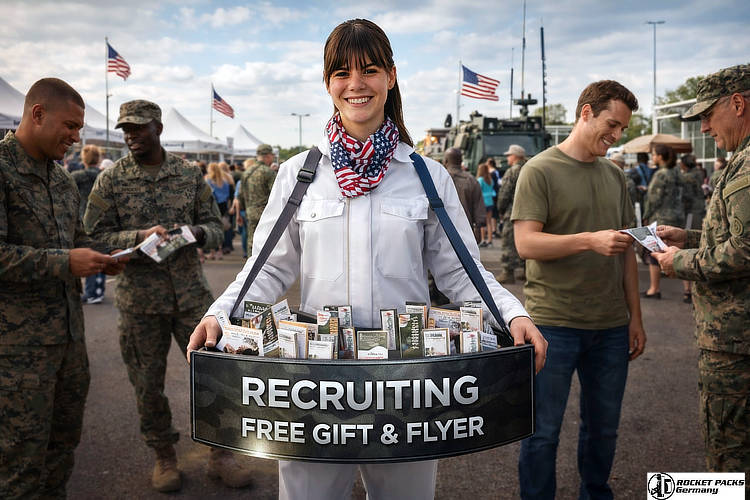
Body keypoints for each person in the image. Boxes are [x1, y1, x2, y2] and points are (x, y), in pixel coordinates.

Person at [187, 18, 547, 500]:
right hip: (314, 382)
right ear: (327, 83)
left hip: (408, 381)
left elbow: (461, 269)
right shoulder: (299, 174)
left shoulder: (426, 176)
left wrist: (512, 314)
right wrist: (219, 315)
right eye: (341, 73)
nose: (356, 84)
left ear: (391, 77)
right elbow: (269, 265)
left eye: (370, 70)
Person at [84, 100, 252, 492]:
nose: (130, 135)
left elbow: (217, 225)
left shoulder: (187, 175)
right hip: (139, 303)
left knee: (213, 376)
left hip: (192, 298)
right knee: (147, 384)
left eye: (138, 128)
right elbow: (91, 236)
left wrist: (193, 233)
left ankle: (220, 454)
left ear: (158, 128)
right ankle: (164, 455)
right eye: (125, 129)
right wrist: (136, 238)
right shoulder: (111, 179)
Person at [512, 80, 646, 499]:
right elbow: (526, 244)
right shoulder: (539, 170)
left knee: (603, 428)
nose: (617, 135)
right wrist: (589, 240)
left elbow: (625, 251)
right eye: (612, 124)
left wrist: (635, 318)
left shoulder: (615, 175)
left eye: (623, 128)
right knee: (541, 432)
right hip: (553, 324)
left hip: (610, 327)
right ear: (585, 112)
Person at [0, 77, 125, 498]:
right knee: (18, 462)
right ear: (38, 114)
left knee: (61, 449)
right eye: (70, 126)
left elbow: (78, 241)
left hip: (69, 341)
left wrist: (109, 256)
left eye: (79, 129)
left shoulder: (62, 181)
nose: (76, 137)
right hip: (16, 354)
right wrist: (65, 262)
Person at [653, 64, 750, 491]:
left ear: (738, 103)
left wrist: (681, 262)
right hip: (734, 338)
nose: (705, 126)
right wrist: (688, 236)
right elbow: (733, 233)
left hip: (736, 344)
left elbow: (745, 250)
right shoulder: (740, 161)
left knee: (731, 458)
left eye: (709, 114)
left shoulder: (747, 167)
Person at [642, 144, 685, 299]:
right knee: (681, 252)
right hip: (678, 216)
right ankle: (688, 291)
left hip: (661, 218)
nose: (653, 157)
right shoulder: (677, 173)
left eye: (654, 155)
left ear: (660, 157)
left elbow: (653, 199)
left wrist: (646, 216)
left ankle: (654, 289)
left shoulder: (661, 174)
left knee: (655, 252)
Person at [73, 144, 107, 304]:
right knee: (101, 256)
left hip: (83, 221)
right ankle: (98, 290)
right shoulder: (105, 175)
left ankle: (91, 292)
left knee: (89, 258)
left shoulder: (77, 176)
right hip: (103, 221)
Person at [495, 144, 527, 283]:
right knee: (526, 241)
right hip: (530, 213)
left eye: (509, 155)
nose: (507, 157)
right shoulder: (530, 168)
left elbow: (505, 193)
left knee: (508, 242)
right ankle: (527, 271)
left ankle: (508, 273)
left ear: (515, 156)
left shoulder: (512, 171)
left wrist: (500, 209)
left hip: (513, 212)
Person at [237, 143, 276, 251]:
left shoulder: (247, 172)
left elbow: (240, 195)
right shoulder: (268, 172)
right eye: (272, 156)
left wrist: (242, 211)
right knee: (266, 243)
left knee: (252, 242)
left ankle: (251, 264)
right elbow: (275, 194)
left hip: (250, 211)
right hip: (265, 213)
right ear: (267, 156)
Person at [679, 153, 706, 303]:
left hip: (690, 213)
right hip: (700, 211)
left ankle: (687, 290)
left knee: (687, 247)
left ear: (684, 165)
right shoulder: (699, 173)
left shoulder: (687, 177)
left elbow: (685, 197)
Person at [443, 147, 485, 241]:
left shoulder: (438, 179)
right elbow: (479, 207)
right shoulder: (471, 180)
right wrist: (478, 228)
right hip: (466, 231)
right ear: (461, 161)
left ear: (445, 161)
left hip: (442, 231)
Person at [205, 161, 234, 260]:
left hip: (212, 206)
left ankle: (213, 252)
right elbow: (229, 196)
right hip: (223, 206)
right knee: (221, 229)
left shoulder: (208, 180)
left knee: (212, 229)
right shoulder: (225, 181)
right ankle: (220, 251)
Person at [476, 162, 495, 247]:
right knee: (489, 222)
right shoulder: (490, 179)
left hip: (483, 202)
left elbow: (478, 191)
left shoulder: (480, 180)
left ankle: (483, 239)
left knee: (483, 222)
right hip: (490, 201)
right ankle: (490, 240)